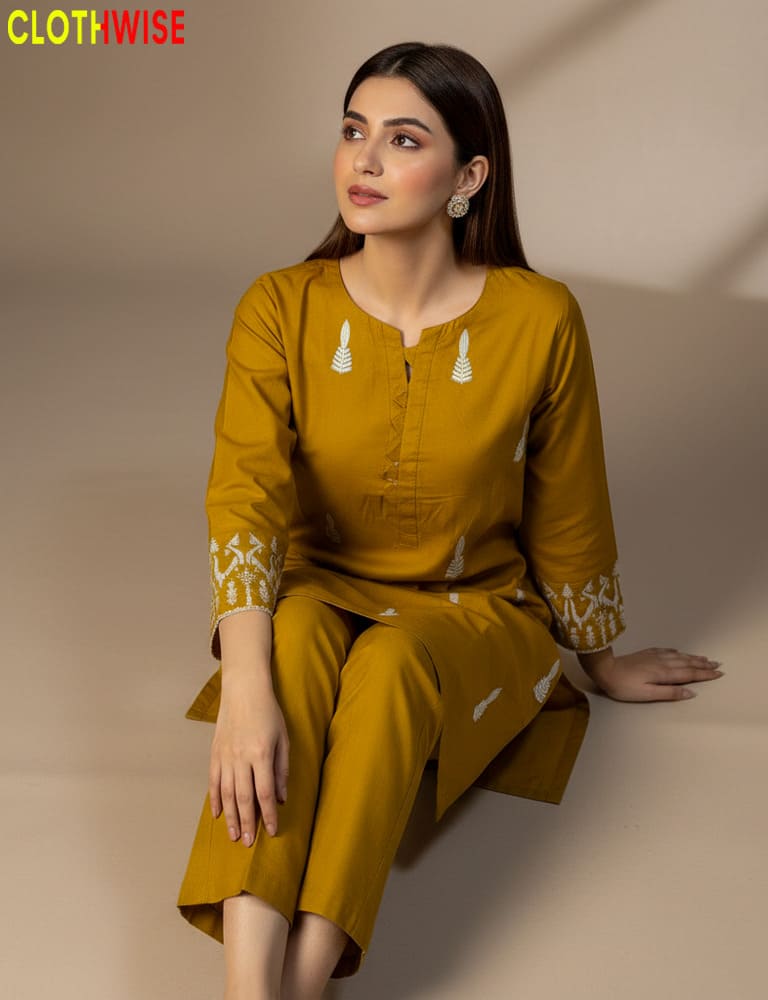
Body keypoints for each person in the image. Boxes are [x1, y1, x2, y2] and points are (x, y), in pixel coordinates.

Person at [176, 41, 723, 1000]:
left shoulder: (540, 318)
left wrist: (598, 660)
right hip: (318, 587)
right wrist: (247, 691)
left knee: (388, 667)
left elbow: (569, 507)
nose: (365, 161)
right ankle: (246, 989)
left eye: (402, 139)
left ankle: (304, 983)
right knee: (289, 646)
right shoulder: (279, 306)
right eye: (353, 133)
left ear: (469, 176)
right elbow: (246, 499)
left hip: (473, 608)